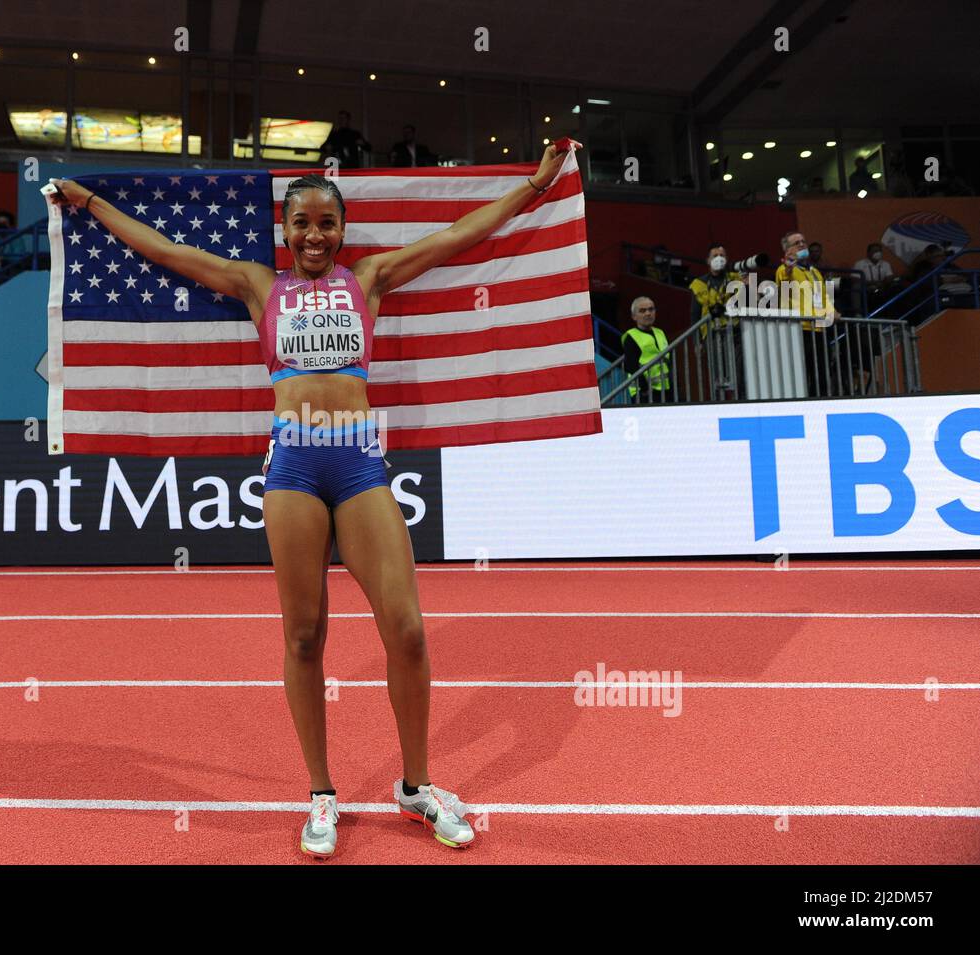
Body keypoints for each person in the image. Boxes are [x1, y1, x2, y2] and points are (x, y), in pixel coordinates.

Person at [48, 139, 582, 859]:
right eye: (301, 223)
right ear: (285, 230)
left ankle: (416, 786)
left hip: (359, 463)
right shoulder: (256, 285)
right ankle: (322, 795)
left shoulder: (370, 278)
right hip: (294, 467)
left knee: (408, 630)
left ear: (342, 229)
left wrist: (534, 188)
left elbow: (459, 235)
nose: (313, 236)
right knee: (303, 637)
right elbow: (167, 251)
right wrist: (90, 202)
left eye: (326, 223)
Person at [776, 231, 837, 396]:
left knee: (822, 376)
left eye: (803, 241)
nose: (802, 244)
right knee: (802, 376)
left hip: (819, 329)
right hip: (799, 330)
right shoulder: (783, 270)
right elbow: (785, 285)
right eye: (796, 243)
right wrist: (789, 269)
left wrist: (832, 312)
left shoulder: (814, 272)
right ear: (787, 250)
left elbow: (824, 297)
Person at [689, 244, 743, 399]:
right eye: (715, 256)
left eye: (722, 255)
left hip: (735, 333)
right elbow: (695, 314)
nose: (719, 258)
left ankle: (740, 402)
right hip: (712, 336)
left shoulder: (736, 278)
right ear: (708, 260)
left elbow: (747, 302)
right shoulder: (699, 284)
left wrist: (748, 286)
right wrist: (697, 341)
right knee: (718, 376)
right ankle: (720, 403)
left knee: (739, 374)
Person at [621, 296, 671, 403]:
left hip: (665, 389)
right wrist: (645, 389)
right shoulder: (631, 337)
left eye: (651, 309)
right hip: (643, 393)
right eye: (642, 311)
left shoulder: (660, 332)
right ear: (634, 316)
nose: (648, 313)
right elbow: (630, 365)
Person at [853, 242, 897, 311]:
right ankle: (857, 312)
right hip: (866, 287)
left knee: (895, 286)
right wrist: (872, 283)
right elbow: (855, 279)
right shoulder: (860, 264)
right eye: (875, 251)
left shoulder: (886, 264)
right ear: (868, 253)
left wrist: (882, 283)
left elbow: (890, 277)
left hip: (882, 286)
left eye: (879, 251)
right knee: (856, 286)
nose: (878, 253)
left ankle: (892, 312)